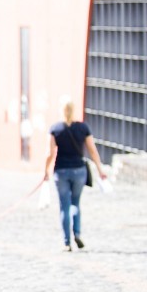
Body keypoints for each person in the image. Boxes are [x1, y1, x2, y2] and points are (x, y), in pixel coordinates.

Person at [43, 97, 108, 251]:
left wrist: (46, 171)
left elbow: (50, 154)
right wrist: (100, 170)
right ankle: (77, 233)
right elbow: (92, 150)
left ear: (61, 110)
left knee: (64, 206)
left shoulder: (55, 129)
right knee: (75, 203)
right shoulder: (83, 128)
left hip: (61, 171)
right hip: (79, 170)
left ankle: (66, 242)